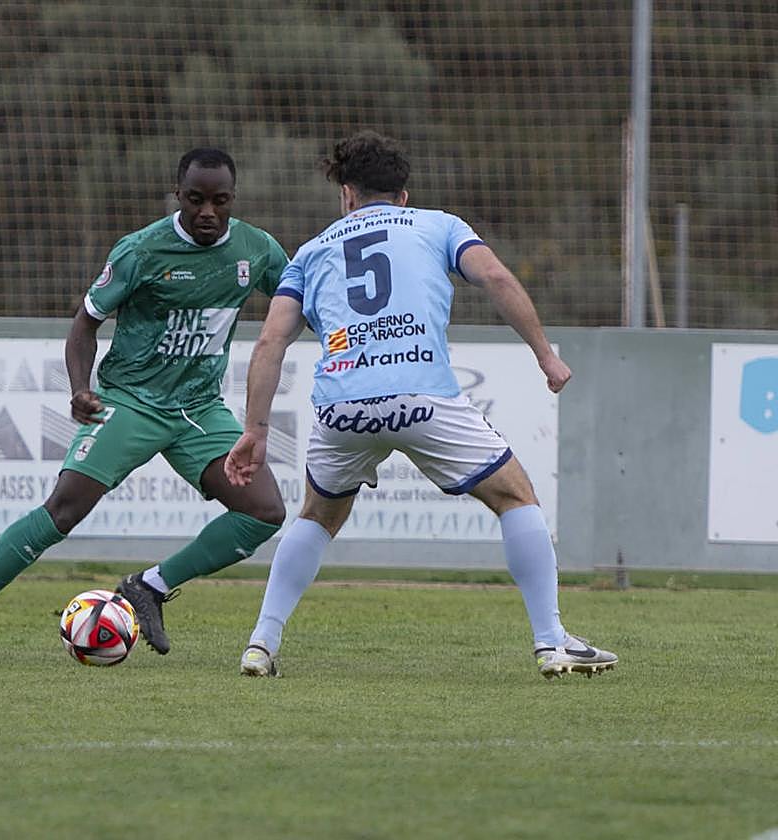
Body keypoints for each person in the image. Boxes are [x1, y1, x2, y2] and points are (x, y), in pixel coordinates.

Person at [224, 131, 617, 680]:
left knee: (317, 515)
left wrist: (256, 430)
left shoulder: (310, 252)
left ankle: (260, 644)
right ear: (403, 195)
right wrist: (545, 355)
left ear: (347, 195)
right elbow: (495, 277)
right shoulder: (439, 225)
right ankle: (551, 642)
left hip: (342, 409)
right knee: (515, 497)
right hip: (422, 399)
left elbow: (270, 342)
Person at [0, 148, 289, 662]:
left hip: (198, 409)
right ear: (177, 195)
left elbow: (297, 300)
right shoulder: (141, 251)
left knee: (264, 512)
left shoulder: (256, 249)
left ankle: (150, 587)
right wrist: (79, 388)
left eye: (219, 201)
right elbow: (85, 324)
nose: (207, 212)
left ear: (233, 198)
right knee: (63, 510)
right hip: (132, 401)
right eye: (195, 199)